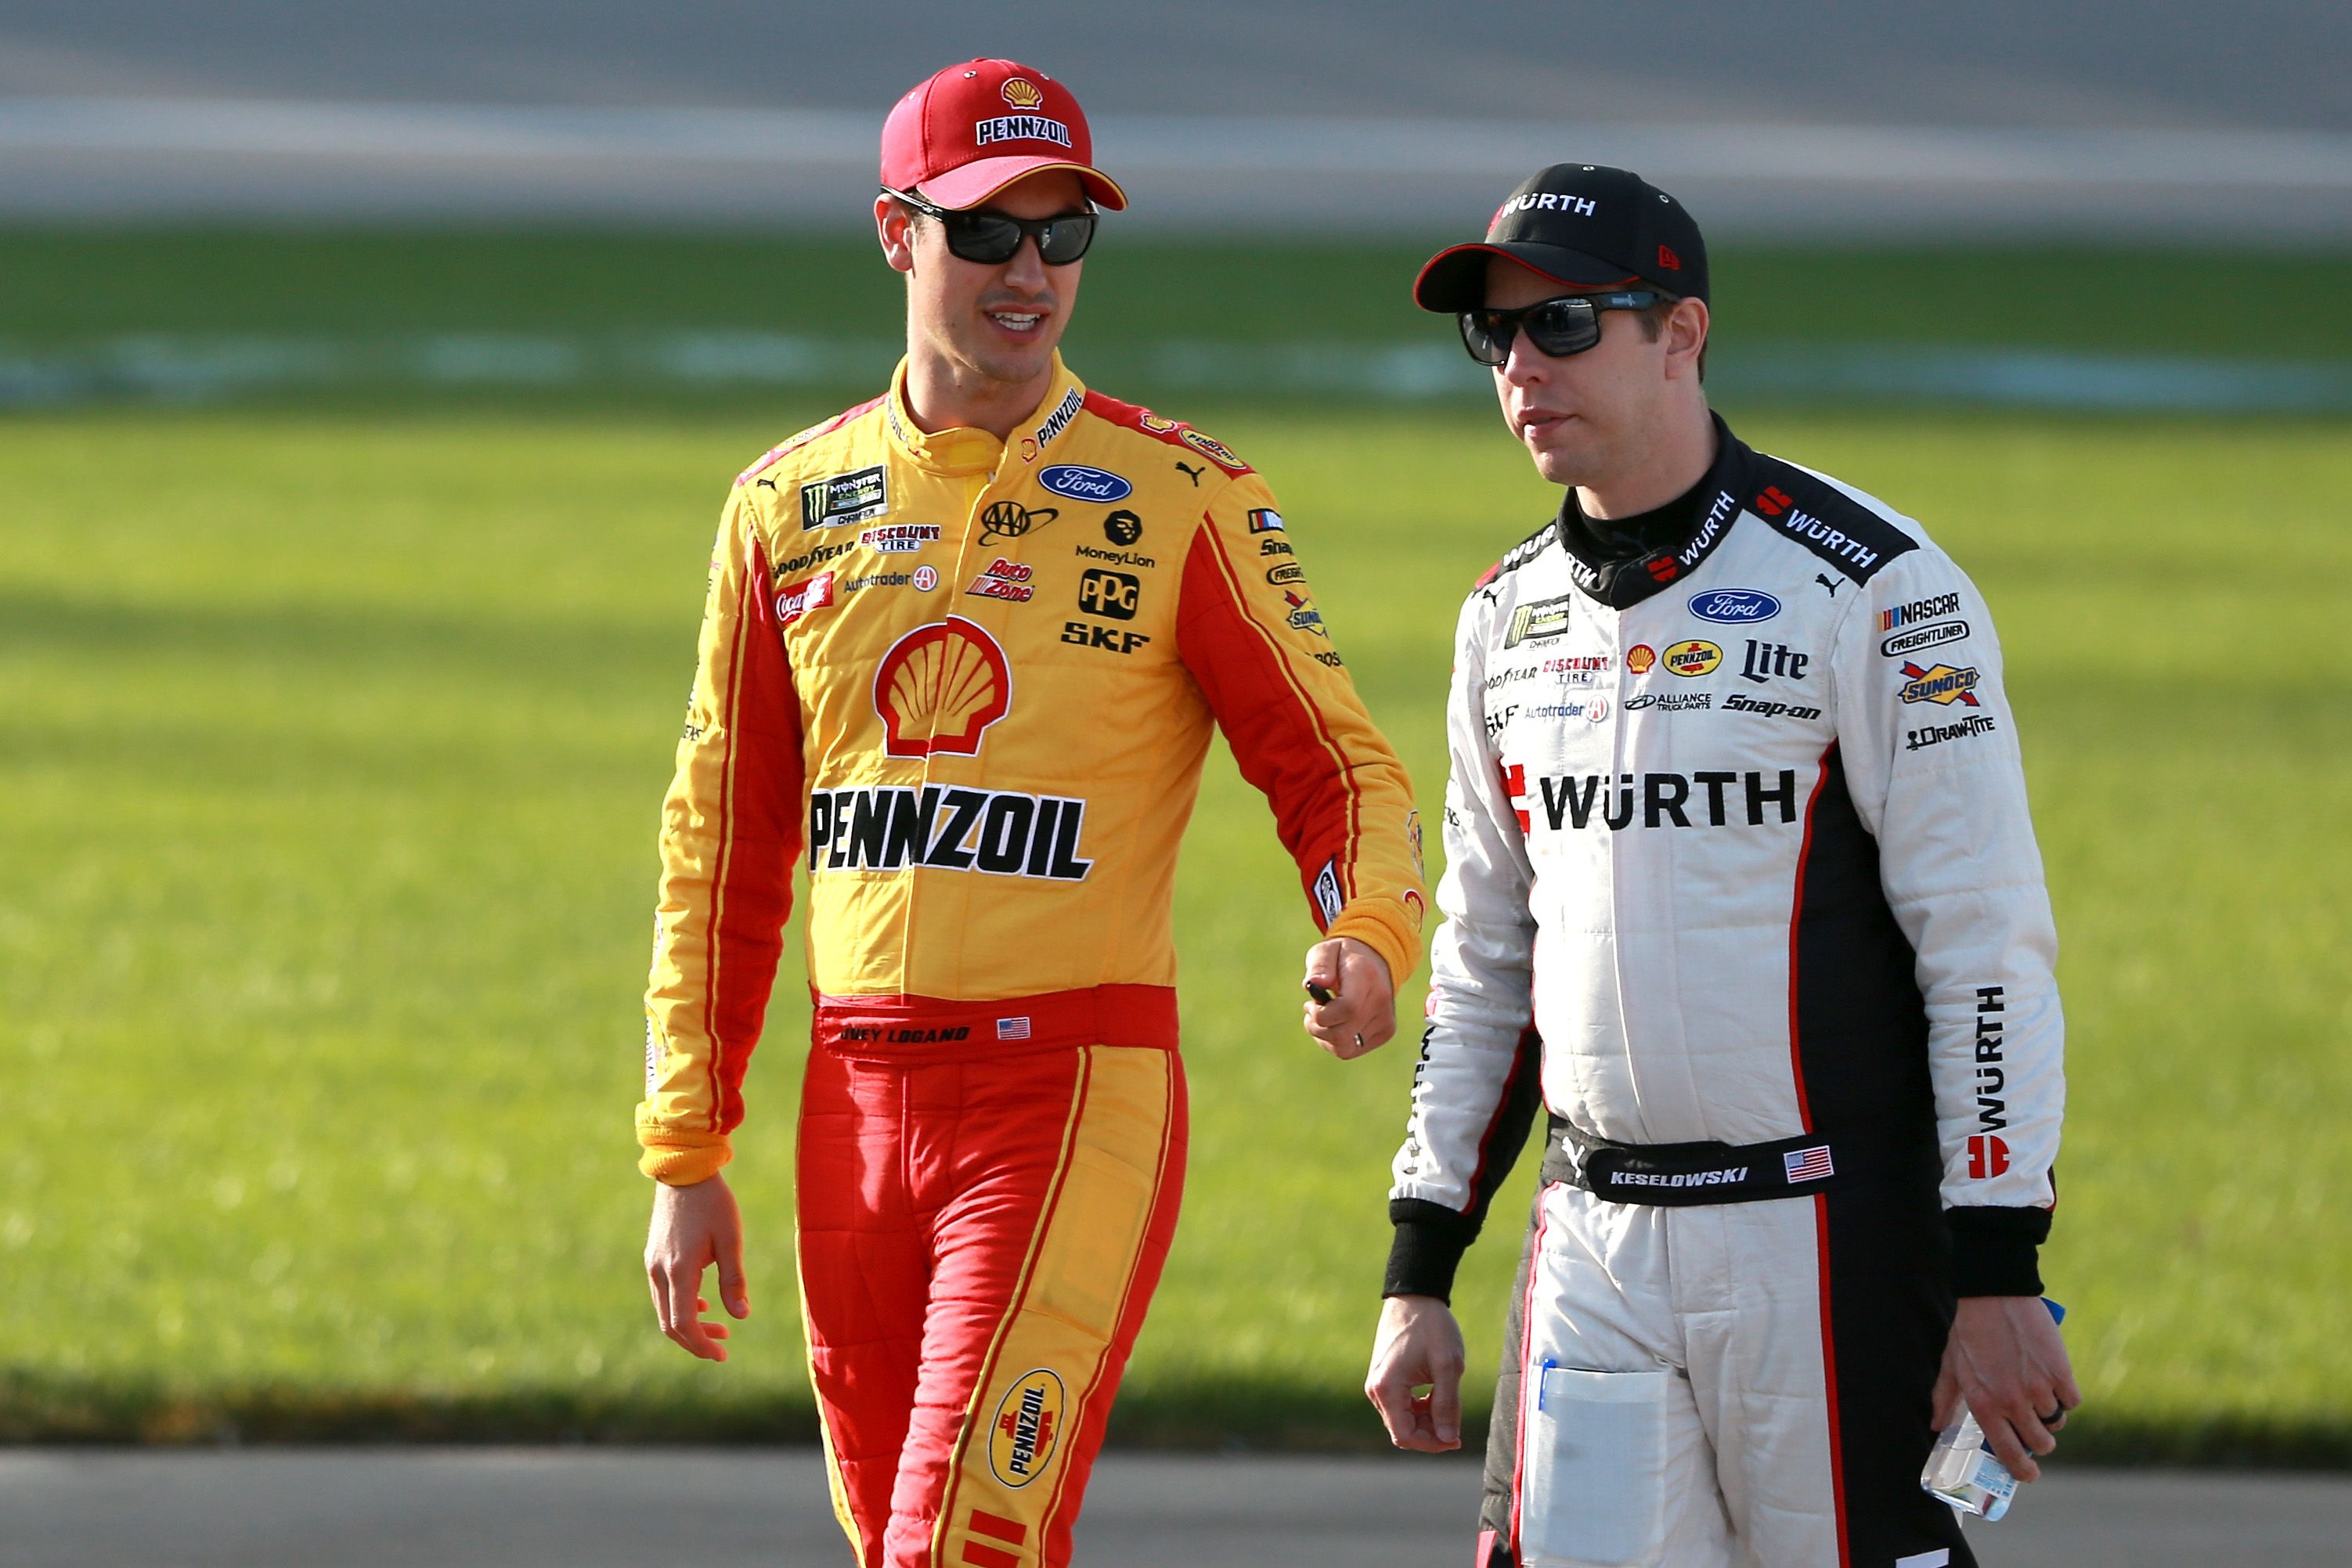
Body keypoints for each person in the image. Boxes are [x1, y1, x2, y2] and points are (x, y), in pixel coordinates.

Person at [635, 59, 1425, 1568]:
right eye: (989, 230)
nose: (1030, 272)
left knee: (959, 1543)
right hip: (852, 1108)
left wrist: (1370, 930)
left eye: (1065, 235)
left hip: (1068, 1089)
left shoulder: (1181, 495)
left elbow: (1339, 771)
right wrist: (686, 1148)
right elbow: (719, 851)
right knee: (900, 1547)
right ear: (896, 233)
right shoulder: (784, 505)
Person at [1361, 164, 2076, 1568]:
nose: (1521, 366)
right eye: (1496, 334)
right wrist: (1419, 1264)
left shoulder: (1878, 585)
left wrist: (1999, 1272)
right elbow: (1484, 965)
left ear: (1680, 334)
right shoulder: (1502, 619)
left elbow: (1984, 945)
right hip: (1594, 1240)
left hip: (1825, 1238)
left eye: (1564, 324)